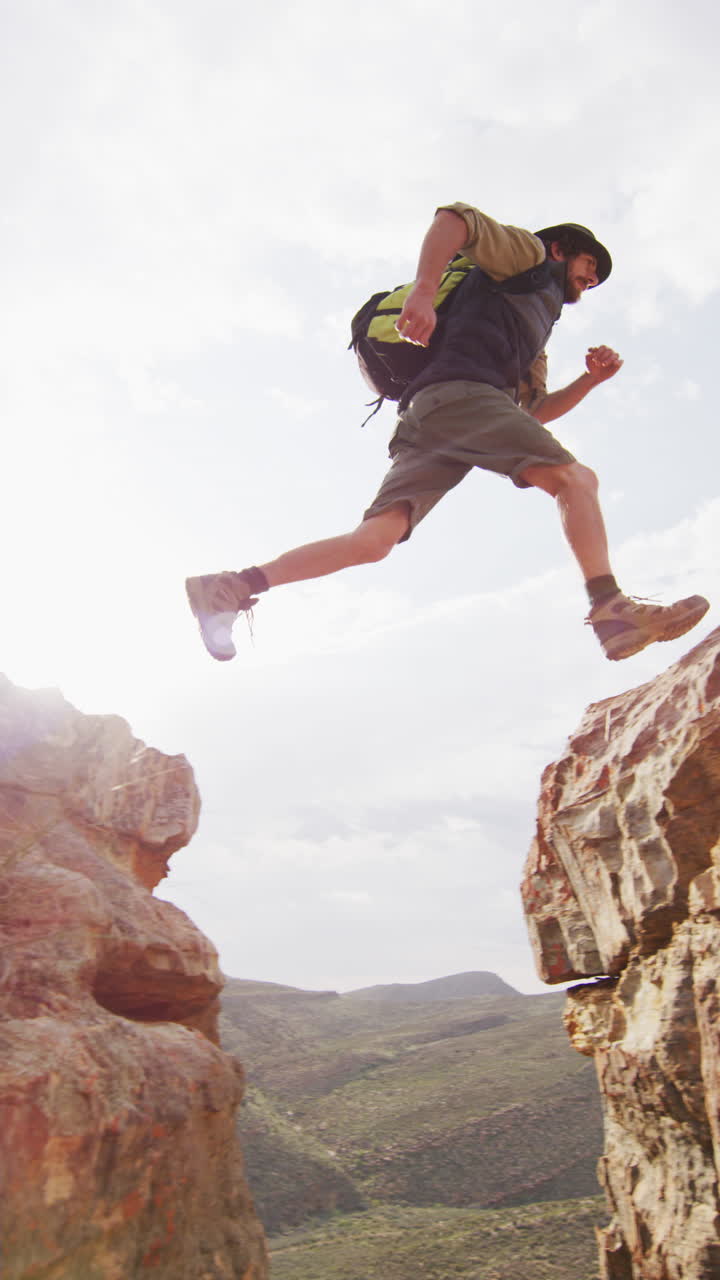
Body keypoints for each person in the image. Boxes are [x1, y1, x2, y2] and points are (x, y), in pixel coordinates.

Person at [186, 203, 709, 663]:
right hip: (460, 397)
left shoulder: (531, 333)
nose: (591, 279)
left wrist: (590, 381)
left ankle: (232, 587)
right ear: (559, 249)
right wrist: (423, 289)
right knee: (577, 479)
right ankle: (611, 608)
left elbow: (533, 415)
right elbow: (455, 219)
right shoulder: (527, 257)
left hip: (434, 415)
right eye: (589, 263)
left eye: (596, 278)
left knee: (373, 542)